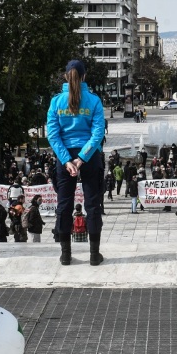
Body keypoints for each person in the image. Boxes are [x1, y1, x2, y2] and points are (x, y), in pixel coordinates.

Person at [47, 59, 107, 266]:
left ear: (66, 76)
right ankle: (94, 255)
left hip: (65, 157)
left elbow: (53, 135)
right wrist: (81, 158)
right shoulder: (94, 101)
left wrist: (66, 160)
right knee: (92, 204)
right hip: (89, 156)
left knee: (64, 205)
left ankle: (65, 255)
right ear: (84, 77)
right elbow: (98, 133)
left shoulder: (56, 102)